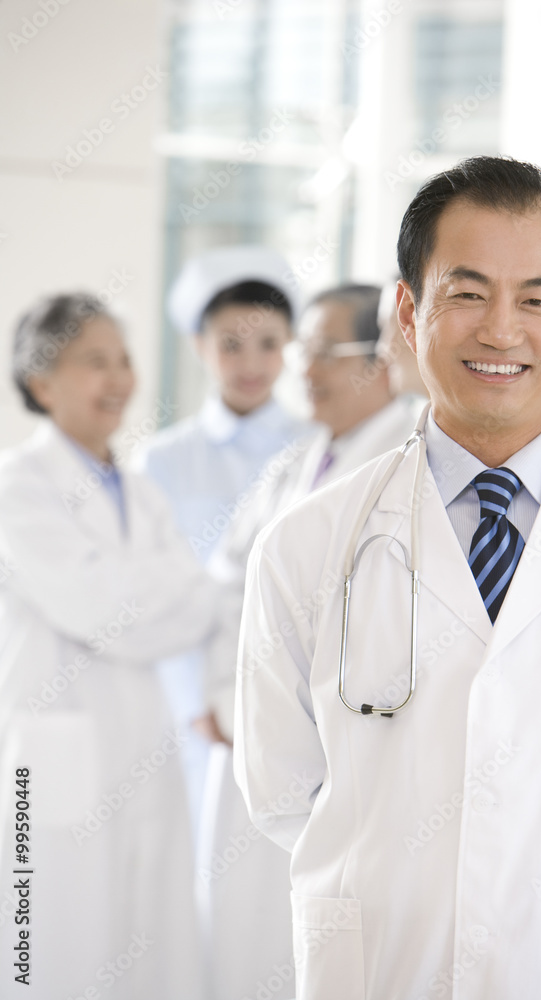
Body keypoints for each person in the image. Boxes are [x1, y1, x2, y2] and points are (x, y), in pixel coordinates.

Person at [234, 157, 541, 1000]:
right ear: (407, 310)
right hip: (388, 967)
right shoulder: (308, 546)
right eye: (466, 293)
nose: (501, 330)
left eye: (536, 300)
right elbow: (283, 793)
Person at [197, 282, 423, 1000]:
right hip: (248, 735)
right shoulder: (299, 463)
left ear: (381, 360)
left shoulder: (408, 462)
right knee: (241, 933)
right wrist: (221, 699)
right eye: (306, 349)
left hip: (337, 759)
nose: (304, 368)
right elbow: (226, 584)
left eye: (326, 351)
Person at [0, 293, 225, 999]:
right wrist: (153, 592)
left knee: (146, 943)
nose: (120, 379)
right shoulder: (16, 486)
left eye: (124, 360)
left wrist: (141, 594)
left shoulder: (142, 493)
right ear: (42, 382)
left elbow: (195, 607)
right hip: (50, 748)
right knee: (49, 946)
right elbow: (97, 606)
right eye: (94, 361)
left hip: (140, 742)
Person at [136, 245, 310, 833]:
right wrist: (195, 703)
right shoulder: (162, 462)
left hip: (295, 696)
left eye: (268, 343)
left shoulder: (317, 449)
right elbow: (155, 595)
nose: (251, 362)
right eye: (230, 344)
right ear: (198, 346)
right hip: (189, 708)